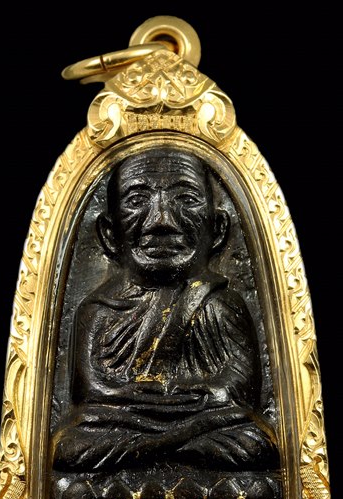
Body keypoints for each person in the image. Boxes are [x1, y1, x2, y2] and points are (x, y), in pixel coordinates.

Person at [51, 147, 279, 476]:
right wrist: (163, 407)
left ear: (217, 229)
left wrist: (182, 402)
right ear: (109, 233)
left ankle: (159, 449)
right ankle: (175, 449)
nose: (162, 221)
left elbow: (238, 393)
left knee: (255, 442)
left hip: (205, 426)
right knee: (70, 446)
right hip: (129, 428)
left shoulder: (219, 303)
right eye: (137, 200)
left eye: (186, 199)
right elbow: (93, 396)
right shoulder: (97, 311)